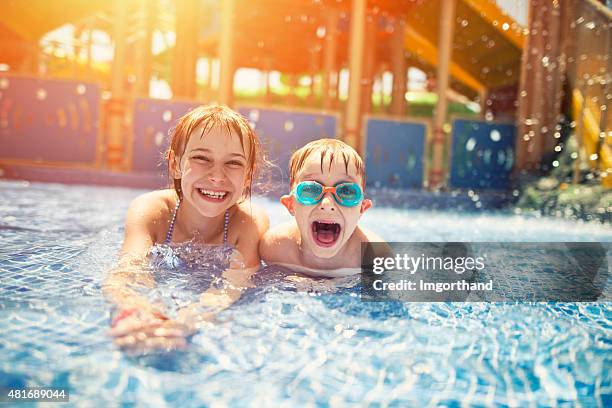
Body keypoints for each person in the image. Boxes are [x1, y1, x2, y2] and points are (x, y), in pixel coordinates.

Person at [103, 105, 269, 353]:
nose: (217, 176)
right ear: (175, 164)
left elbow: (233, 285)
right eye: (202, 158)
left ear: (247, 177)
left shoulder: (247, 223)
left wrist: (187, 321)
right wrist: (139, 310)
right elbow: (128, 270)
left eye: (233, 163)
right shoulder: (152, 211)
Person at [259, 139, 383, 278]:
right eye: (311, 189)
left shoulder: (374, 257)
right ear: (291, 204)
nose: (327, 204)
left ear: (362, 208)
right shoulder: (275, 249)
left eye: (346, 191)